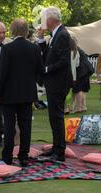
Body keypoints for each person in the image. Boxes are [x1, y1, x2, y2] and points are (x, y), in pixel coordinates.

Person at [0, 19, 44, 167]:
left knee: (9, 126)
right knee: (25, 126)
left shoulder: (7, 49)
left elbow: (2, 74)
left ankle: (7, 156)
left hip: (9, 94)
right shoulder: (34, 48)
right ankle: (23, 156)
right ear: (26, 31)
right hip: (27, 93)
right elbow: (40, 71)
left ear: (12, 30)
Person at [38, 6, 72, 162]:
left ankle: (59, 152)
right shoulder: (56, 34)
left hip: (58, 83)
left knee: (57, 117)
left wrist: (46, 69)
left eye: (45, 18)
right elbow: (48, 55)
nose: (44, 21)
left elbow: (63, 61)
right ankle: (56, 147)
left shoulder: (62, 34)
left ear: (51, 19)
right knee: (53, 117)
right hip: (54, 82)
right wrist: (40, 40)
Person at [68, 37, 91, 114]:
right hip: (86, 71)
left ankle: (78, 108)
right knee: (83, 89)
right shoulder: (78, 49)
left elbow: (75, 65)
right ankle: (82, 107)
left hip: (81, 72)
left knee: (78, 90)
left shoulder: (74, 51)